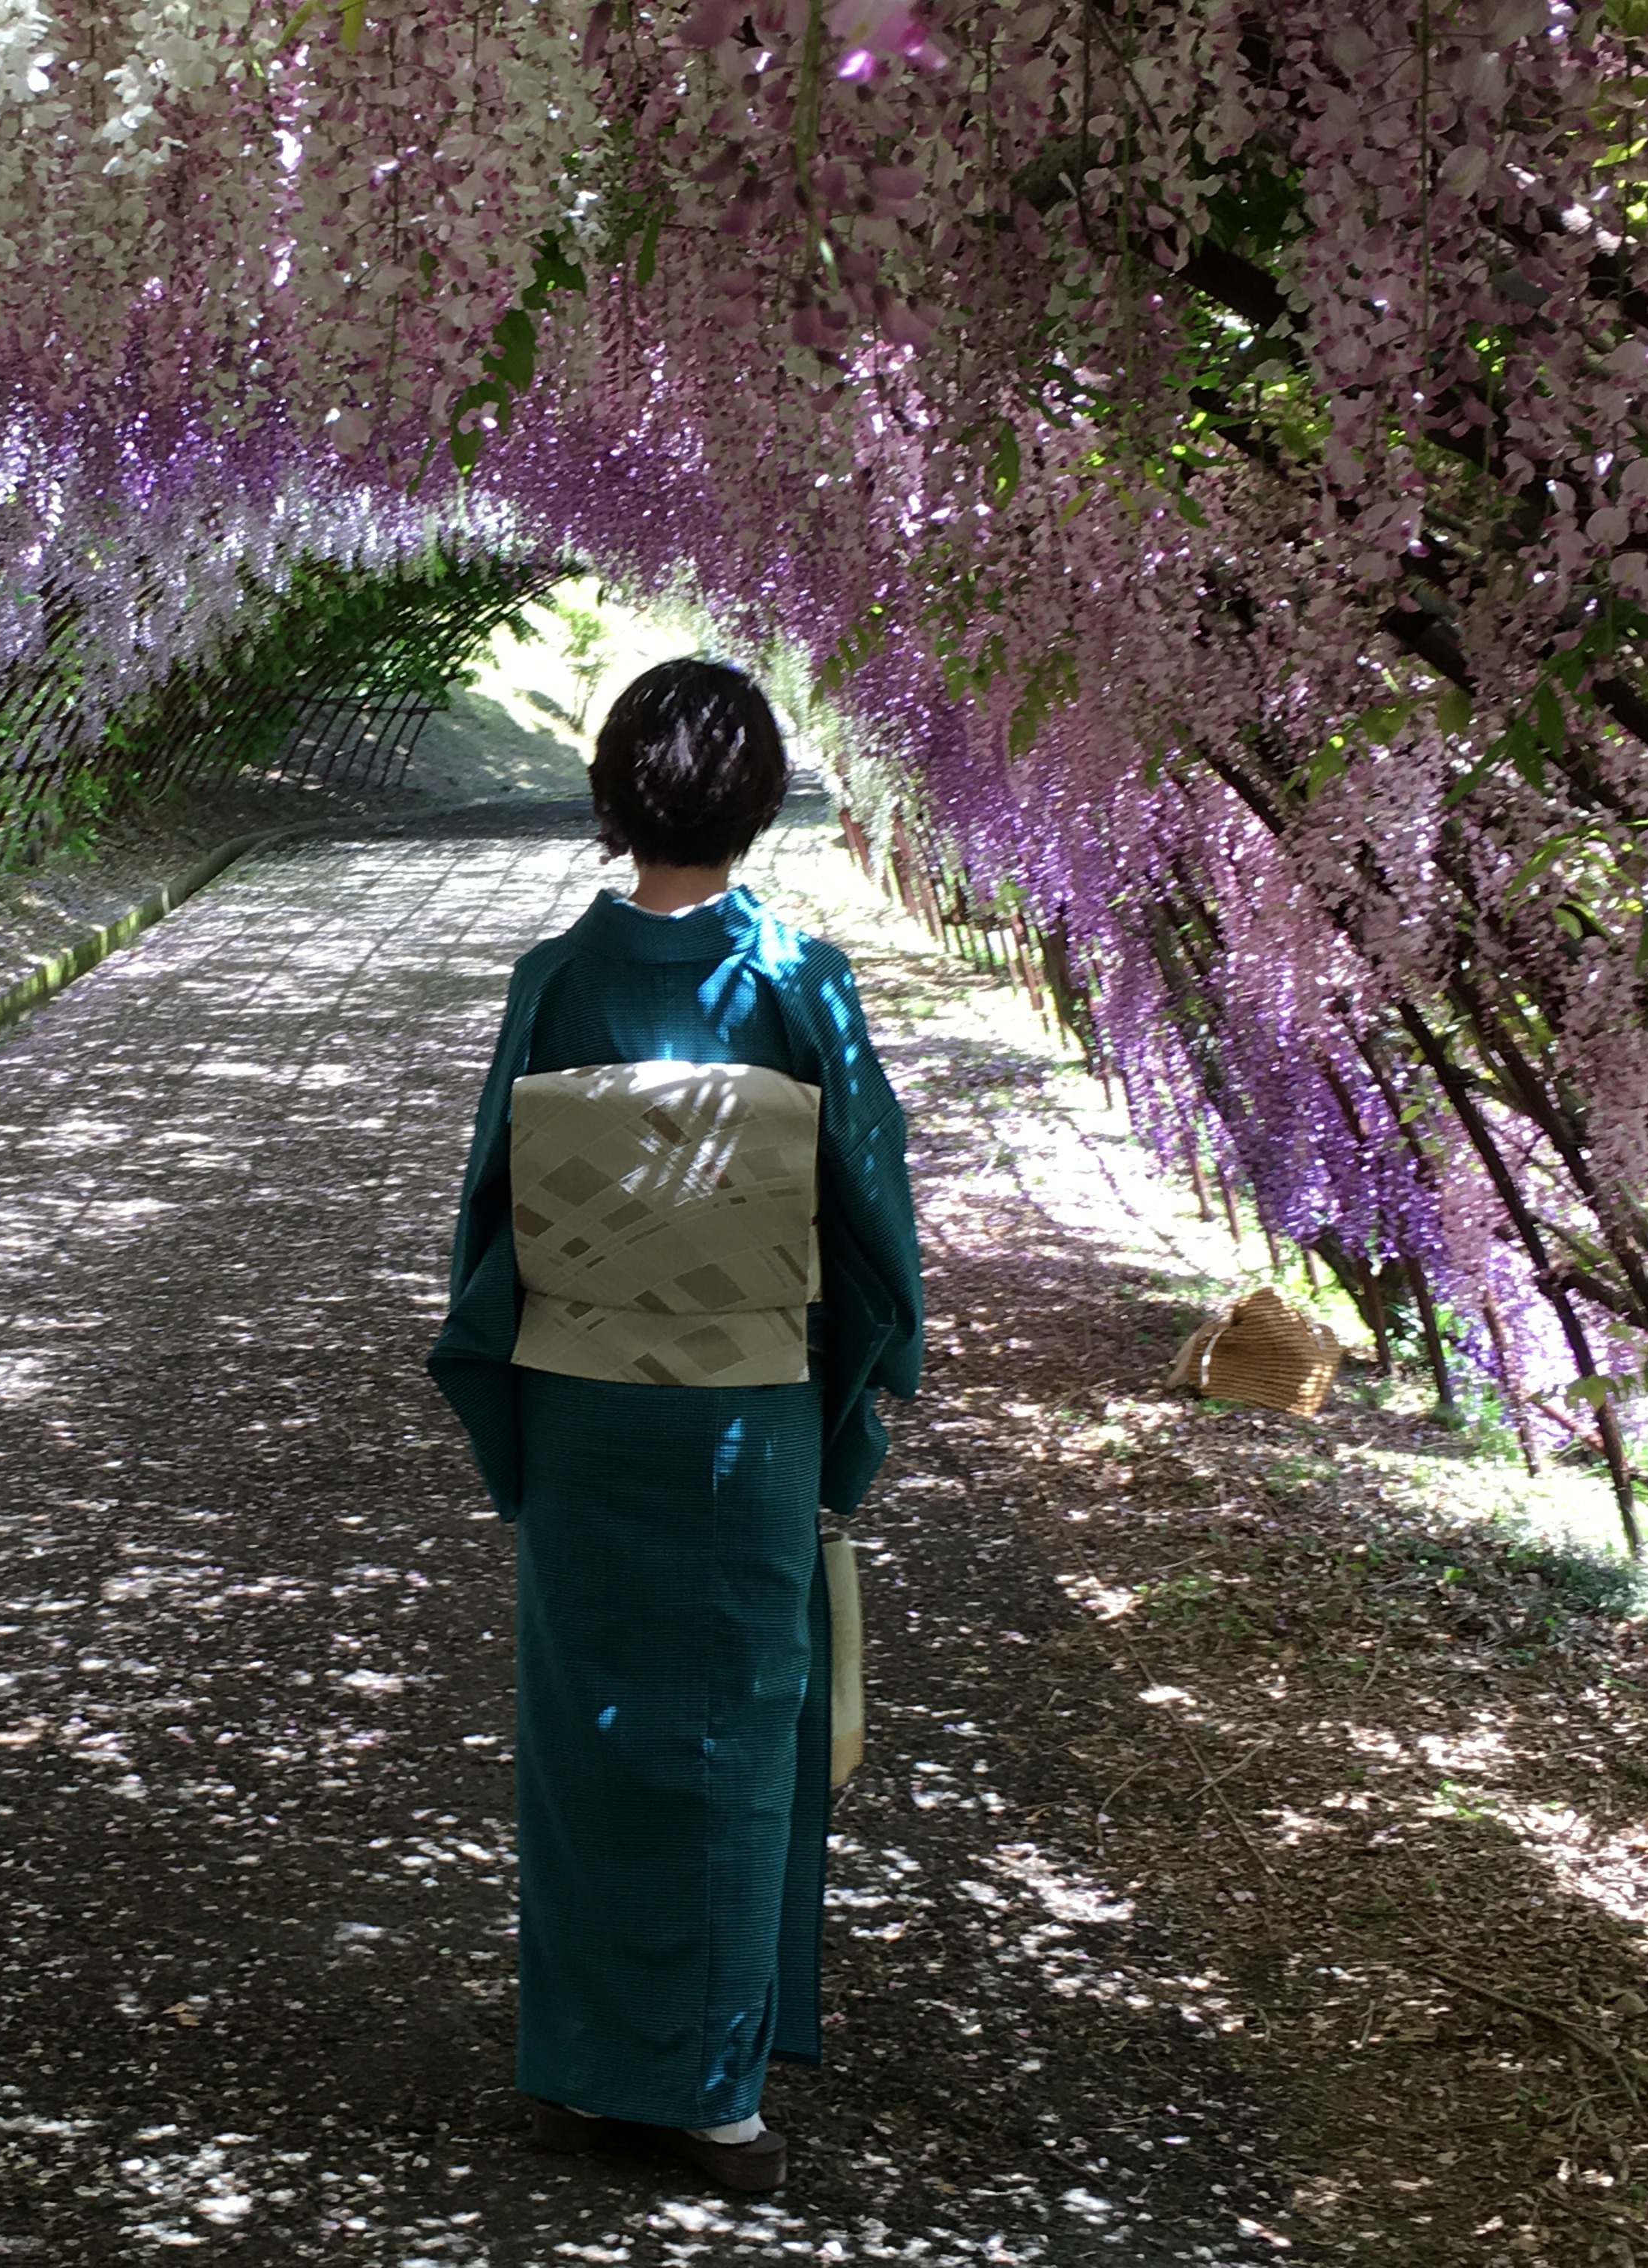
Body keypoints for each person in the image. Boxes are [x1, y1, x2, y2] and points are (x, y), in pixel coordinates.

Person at [425, 657, 923, 2194]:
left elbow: (489, 1227)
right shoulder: (798, 979)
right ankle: (712, 2097)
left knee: (588, 1734)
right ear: (762, 798)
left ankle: (593, 2066)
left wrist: (517, 1420)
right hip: (743, 1416)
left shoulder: (555, 979)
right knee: (729, 1729)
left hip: (580, 1418)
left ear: (612, 794)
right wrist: (845, 1432)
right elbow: (871, 1234)